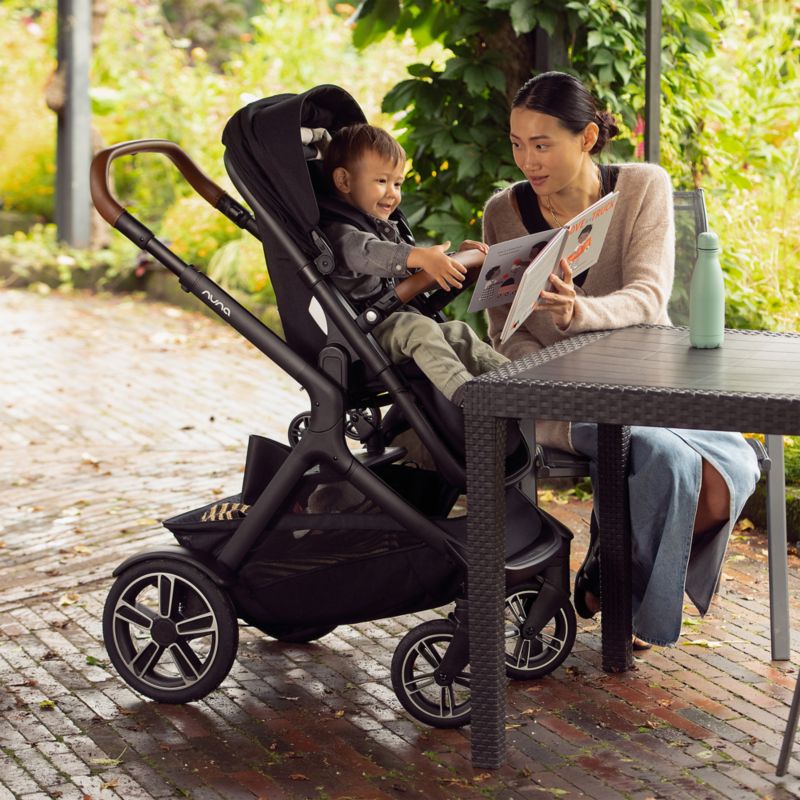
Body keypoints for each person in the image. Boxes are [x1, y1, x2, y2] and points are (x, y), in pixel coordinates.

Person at [482, 71, 760, 648]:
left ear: (586, 138)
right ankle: (626, 605)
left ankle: (608, 571)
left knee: (729, 475)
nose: (527, 161)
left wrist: (577, 313)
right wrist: (553, 379)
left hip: (647, 381)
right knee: (668, 459)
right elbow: (508, 336)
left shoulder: (641, 186)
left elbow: (648, 297)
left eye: (542, 145)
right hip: (564, 400)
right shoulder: (503, 213)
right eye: (517, 144)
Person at [320, 123, 508, 407]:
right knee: (420, 330)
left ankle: (516, 381)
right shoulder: (342, 234)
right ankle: (468, 398)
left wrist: (452, 258)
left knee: (457, 332)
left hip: (393, 318)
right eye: (382, 181)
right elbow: (373, 254)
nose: (393, 194)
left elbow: (410, 267)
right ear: (344, 181)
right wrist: (420, 256)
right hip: (364, 331)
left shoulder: (378, 225)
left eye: (397, 184)